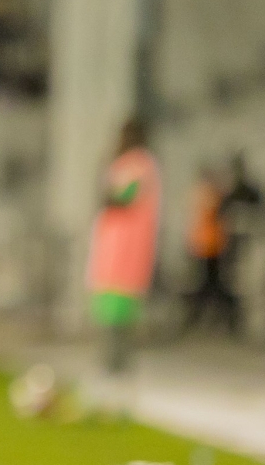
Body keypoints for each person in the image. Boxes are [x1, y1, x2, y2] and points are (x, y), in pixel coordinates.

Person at [86, 117, 161, 377]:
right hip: (111, 245)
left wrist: (109, 195)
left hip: (127, 247)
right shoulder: (121, 163)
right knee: (107, 306)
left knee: (122, 310)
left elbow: (123, 197)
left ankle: (119, 364)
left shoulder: (141, 164)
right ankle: (109, 362)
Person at [181, 166, 238, 337]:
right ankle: (202, 317)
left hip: (210, 245)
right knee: (208, 283)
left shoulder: (205, 192)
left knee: (210, 283)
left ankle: (200, 317)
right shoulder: (209, 193)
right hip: (205, 245)